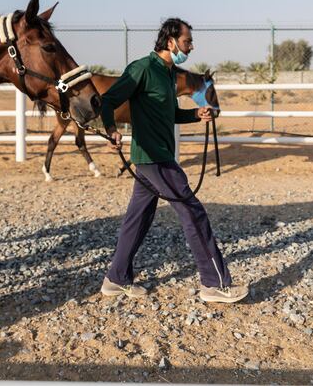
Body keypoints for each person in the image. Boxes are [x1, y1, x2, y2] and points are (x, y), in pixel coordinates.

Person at [99, 18, 247, 303]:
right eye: (187, 41)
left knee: (138, 218)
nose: (191, 47)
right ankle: (214, 284)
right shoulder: (142, 68)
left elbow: (169, 115)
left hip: (155, 158)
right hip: (153, 158)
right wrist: (111, 129)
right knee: (193, 211)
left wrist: (195, 114)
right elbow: (108, 100)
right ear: (170, 42)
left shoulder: (168, 74)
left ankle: (116, 279)